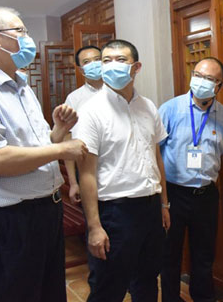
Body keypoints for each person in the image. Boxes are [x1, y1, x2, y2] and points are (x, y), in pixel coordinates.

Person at [0, 6, 88, 302]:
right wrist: (63, 148)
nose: (27, 39)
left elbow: (37, 149)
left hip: (46, 210)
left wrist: (58, 132)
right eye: (21, 31)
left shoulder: (23, 86)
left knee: (49, 293)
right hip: (8, 220)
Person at [74, 40, 170, 302]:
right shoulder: (91, 111)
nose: (112, 65)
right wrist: (94, 226)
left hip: (150, 208)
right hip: (116, 212)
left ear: (136, 67)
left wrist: (163, 204)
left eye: (120, 60)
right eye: (106, 60)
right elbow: (87, 173)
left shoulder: (148, 107)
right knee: (108, 287)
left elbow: (156, 157)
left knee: (147, 280)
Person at [159, 57, 223, 302]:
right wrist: (161, 200)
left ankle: (203, 297)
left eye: (210, 79)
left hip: (206, 195)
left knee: (204, 254)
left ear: (219, 86)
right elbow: (155, 153)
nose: (202, 82)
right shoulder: (170, 109)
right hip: (174, 193)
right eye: (198, 75)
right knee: (170, 254)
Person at [63, 45, 103, 202]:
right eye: (87, 62)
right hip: (88, 169)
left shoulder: (118, 93)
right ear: (81, 70)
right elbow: (67, 141)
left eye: (97, 59)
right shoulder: (74, 99)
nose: (93, 64)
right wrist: (73, 182)